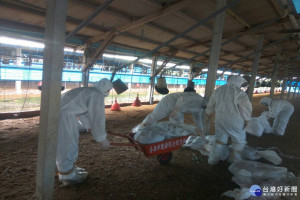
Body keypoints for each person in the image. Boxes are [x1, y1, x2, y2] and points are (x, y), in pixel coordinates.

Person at [56, 78, 113, 185]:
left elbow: (83, 111)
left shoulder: (89, 91)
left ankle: (67, 169)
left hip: (60, 113)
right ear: (107, 89)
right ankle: (66, 175)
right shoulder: (97, 95)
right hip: (64, 116)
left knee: (65, 142)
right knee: (67, 144)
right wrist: (101, 138)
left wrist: (88, 126)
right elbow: (97, 117)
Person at [205, 75, 252, 165]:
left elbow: (211, 104)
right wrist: (247, 120)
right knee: (238, 140)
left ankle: (212, 160)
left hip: (220, 119)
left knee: (219, 140)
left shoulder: (218, 90)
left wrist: (208, 113)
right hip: (235, 120)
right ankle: (234, 161)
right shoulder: (240, 93)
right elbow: (246, 108)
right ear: (239, 83)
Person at [132, 92, 206, 134]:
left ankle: (167, 138)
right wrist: (175, 110)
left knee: (178, 127)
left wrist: (201, 131)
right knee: (154, 117)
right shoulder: (198, 98)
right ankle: (137, 130)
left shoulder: (201, 108)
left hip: (179, 109)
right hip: (169, 101)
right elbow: (181, 99)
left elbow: (198, 119)